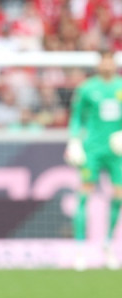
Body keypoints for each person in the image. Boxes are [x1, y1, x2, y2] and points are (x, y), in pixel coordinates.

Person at [65, 50, 122, 270]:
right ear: (99, 65)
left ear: (114, 64)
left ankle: (107, 244)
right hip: (93, 149)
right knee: (84, 194)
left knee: (118, 196)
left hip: (117, 151)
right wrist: (74, 141)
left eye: (110, 62)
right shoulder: (87, 88)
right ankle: (80, 249)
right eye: (103, 62)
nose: (107, 66)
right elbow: (76, 117)